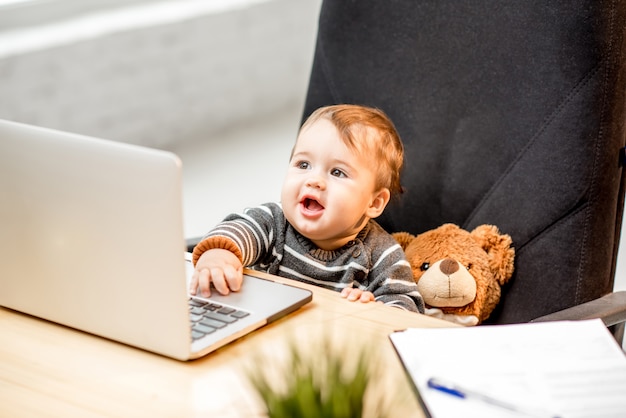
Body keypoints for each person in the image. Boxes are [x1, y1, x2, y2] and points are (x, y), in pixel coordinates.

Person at [190, 104, 425, 313]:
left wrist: (374, 308)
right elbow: (239, 230)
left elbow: (408, 308)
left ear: (374, 203)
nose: (314, 180)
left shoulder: (381, 254)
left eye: (337, 172)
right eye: (304, 164)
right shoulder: (274, 222)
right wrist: (219, 255)